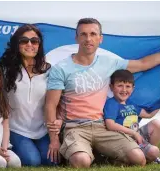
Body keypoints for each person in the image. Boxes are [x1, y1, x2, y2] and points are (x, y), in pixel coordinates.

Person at [45, 18, 160, 168]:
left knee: (138, 158)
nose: (88, 39)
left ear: (101, 39)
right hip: (75, 128)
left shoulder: (109, 63)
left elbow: (143, 64)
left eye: (93, 34)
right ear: (76, 37)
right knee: (82, 161)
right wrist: (54, 140)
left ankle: (102, 156)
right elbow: (50, 106)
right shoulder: (61, 69)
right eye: (83, 34)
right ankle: (79, 152)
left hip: (102, 126)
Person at [0, 24, 60, 166]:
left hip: (41, 130)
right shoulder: (5, 68)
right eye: (24, 41)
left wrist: (58, 121)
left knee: (52, 162)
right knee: (32, 161)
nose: (29, 44)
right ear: (17, 43)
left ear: (39, 44)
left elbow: (56, 101)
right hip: (15, 129)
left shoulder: (49, 70)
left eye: (34, 41)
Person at [104, 69, 160, 163]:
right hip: (122, 138)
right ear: (111, 87)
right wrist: (133, 133)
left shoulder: (131, 103)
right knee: (154, 152)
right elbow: (110, 124)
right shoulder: (111, 103)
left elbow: (148, 115)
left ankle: (147, 153)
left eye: (128, 86)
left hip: (136, 136)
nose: (124, 90)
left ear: (133, 88)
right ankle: (142, 155)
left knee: (156, 124)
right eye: (120, 86)